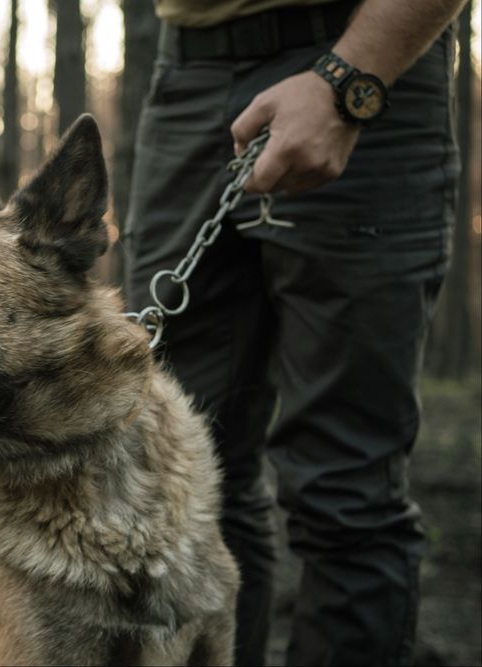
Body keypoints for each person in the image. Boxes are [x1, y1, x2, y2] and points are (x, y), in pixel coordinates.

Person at [122, 0, 467, 665]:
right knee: (184, 481)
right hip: (187, 69)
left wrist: (348, 83)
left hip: (355, 46)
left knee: (345, 490)